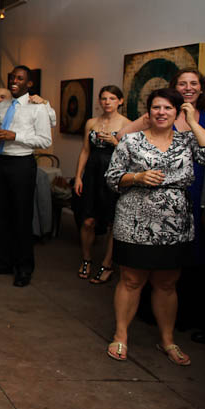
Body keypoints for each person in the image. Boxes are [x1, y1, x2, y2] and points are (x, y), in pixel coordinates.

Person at [103, 88, 205, 365]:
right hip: (135, 221)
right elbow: (112, 177)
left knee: (167, 283)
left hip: (176, 225)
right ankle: (121, 335)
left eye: (168, 108)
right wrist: (137, 176)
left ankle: (167, 340)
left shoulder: (187, 140)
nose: (161, 112)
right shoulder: (131, 141)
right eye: (156, 108)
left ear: (178, 112)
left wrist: (194, 122)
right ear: (148, 112)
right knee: (131, 280)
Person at [0, 65, 52, 287]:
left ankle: (23, 268)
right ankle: (2, 262)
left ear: (29, 84)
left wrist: (15, 135)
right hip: (2, 163)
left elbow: (45, 140)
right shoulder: (2, 106)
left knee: (21, 216)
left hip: (22, 163)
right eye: (12, 77)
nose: (14, 81)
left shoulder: (37, 108)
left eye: (19, 78)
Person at [72, 85, 129, 284]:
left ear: (120, 101)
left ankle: (107, 264)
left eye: (112, 98)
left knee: (113, 222)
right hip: (92, 175)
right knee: (88, 220)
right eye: (104, 98)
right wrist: (78, 176)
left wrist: (116, 142)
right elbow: (85, 150)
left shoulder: (127, 124)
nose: (107, 102)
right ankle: (86, 259)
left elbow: (131, 155)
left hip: (113, 175)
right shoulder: (91, 122)